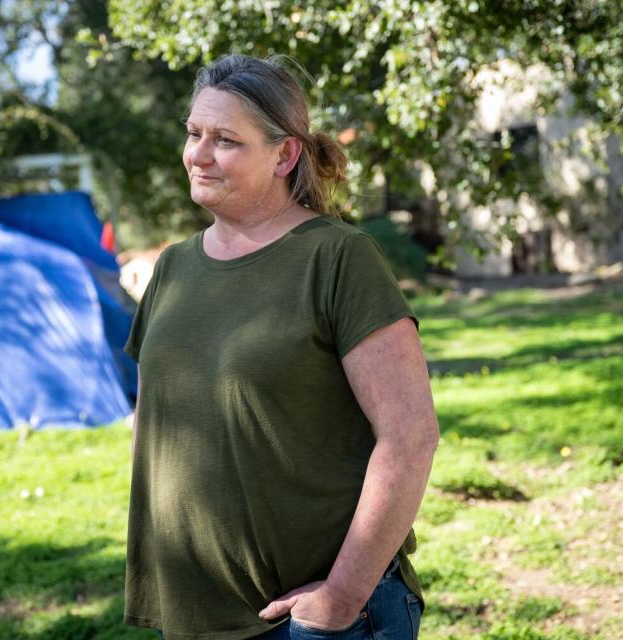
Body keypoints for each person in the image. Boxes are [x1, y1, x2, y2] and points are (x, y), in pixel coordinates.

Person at [124, 54, 440, 640]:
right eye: (194, 133)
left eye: (225, 140)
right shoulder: (171, 268)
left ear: (285, 155)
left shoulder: (338, 257)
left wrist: (342, 598)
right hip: (196, 618)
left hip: (315, 625)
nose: (198, 154)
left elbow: (411, 434)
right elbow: (154, 419)